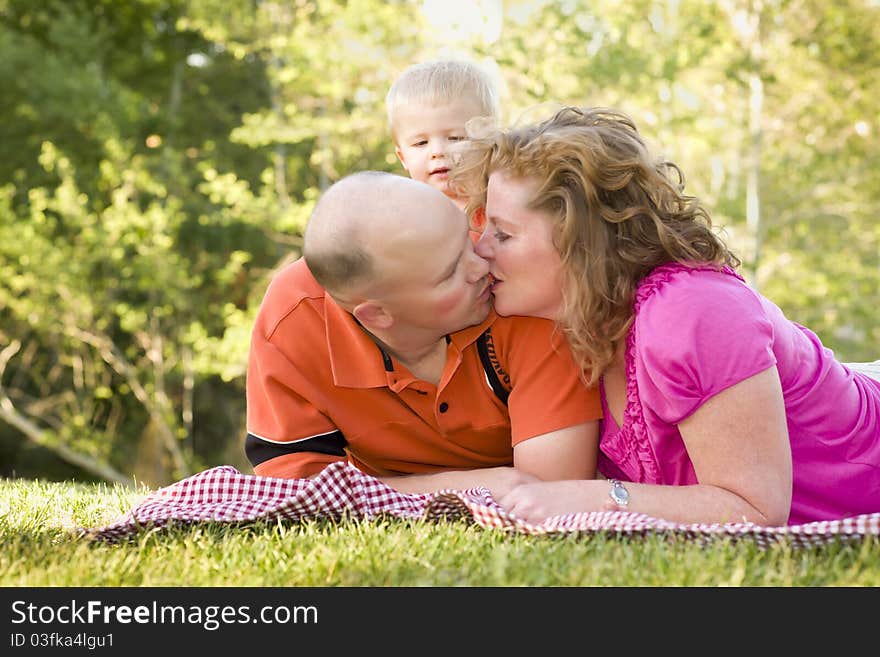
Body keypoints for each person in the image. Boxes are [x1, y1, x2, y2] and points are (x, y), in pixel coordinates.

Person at [450, 105, 880, 526]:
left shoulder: (692, 312)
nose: (481, 247)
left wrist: (596, 498)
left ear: (581, 243)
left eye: (503, 233)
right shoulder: (570, 324)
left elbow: (756, 509)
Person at [244, 171, 602, 496]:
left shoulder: (517, 292)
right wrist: (463, 486)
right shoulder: (293, 320)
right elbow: (292, 491)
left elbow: (550, 493)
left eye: (467, 239)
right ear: (378, 314)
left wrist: (374, 491)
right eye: (449, 274)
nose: (482, 265)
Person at [386, 59, 499, 212]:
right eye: (421, 143)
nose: (438, 151)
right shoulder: (405, 219)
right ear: (403, 157)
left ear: (489, 142)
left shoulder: (504, 206)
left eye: (456, 138)